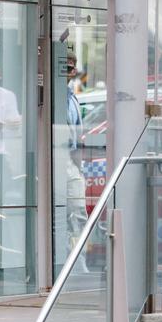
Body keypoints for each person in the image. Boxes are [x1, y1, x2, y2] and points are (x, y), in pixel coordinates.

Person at [65, 52, 89, 273]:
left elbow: (77, 134)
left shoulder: (71, 96)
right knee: (60, 214)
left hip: (70, 162)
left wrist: (79, 165)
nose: (70, 73)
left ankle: (78, 264)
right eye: (66, 67)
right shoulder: (59, 95)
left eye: (72, 68)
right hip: (56, 159)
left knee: (78, 212)